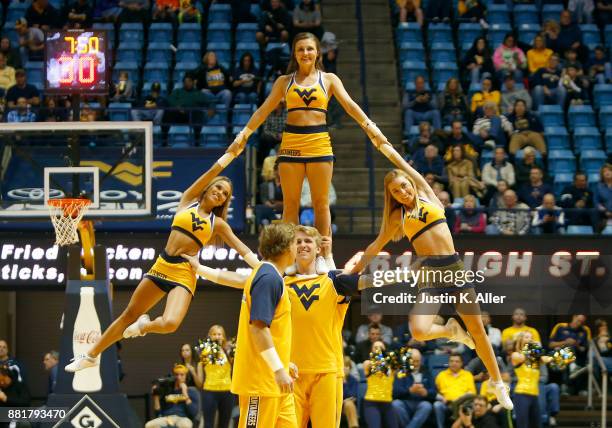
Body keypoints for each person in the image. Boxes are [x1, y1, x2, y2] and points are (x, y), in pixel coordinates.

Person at [65, 147, 259, 373]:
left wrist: (261, 266)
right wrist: (230, 155)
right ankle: (90, 355)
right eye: (218, 187)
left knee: (170, 324)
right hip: (162, 265)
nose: (220, 193)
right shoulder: (188, 200)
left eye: (225, 193)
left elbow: (242, 248)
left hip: (184, 273)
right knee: (128, 314)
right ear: (208, 188)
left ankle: (144, 326)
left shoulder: (219, 224)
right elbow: (212, 171)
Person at [347, 153, 514, 411]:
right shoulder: (397, 217)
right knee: (419, 331)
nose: (402, 192)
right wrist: (354, 271)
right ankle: (450, 331)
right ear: (391, 196)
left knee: (478, 330)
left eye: (404, 186)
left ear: (412, 184)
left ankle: (498, 384)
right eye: (396, 191)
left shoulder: (426, 192)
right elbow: (375, 246)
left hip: (454, 268)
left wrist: (381, 141)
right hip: (431, 274)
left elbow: (402, 163)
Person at [227, 32, 392, 263]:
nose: (305, 53)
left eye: (309, 49)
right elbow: (263, 110)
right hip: (291, 144)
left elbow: (351, 106)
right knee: (290, 205)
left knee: (320, 204)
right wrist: (243, 135)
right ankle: (289, 257)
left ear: (318, 52)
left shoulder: (330, 79)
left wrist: (372, 128)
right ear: (295, 54)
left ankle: (326, 256)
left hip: (319, 143)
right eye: (300, 49)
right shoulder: (284, 82)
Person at [184, 223, 298, 427]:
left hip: (275, 383)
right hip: (260, 383)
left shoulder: (266, 274)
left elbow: (236, 279)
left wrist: (200, 269)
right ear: (287, 247)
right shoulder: (268, 278)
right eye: (296, 243)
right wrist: (278, 368)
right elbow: (258, 328)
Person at [511, 332, 553, 428]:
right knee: (523, 425)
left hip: (534, 395)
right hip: (521, 394)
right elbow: (522, 357)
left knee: (537, 425)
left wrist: (558, 356)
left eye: (531, 338)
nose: (530, 339)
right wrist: (533, 349)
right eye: (527, 337)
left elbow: (547, 359)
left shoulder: (535, 359)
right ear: (520, 340)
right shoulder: (515, 355)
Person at [196, 325, 234, 428]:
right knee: (208, 424)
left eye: (219, 334)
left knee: (224, 424)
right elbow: (203, 357)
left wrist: (231, 349)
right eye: (214, 334)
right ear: (209, 336)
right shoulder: (205, 350)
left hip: (227, 391)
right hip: (210, 391)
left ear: (223, 336)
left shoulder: (228, 351)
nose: (217, 336)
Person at [391, 348, 435, 428]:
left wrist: (426, 392)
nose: (415, 364)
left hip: (421, 402)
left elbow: (434, 392)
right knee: (396, 404)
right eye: (413, 361)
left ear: (421, 361)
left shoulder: (427, 372)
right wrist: (409, 390)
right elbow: (395, 391)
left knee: (427, 406)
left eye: (417, 361)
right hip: (406, 402)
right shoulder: (401, 372)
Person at [433, 353, 477, 428]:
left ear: (461, 363)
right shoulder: (441, 375)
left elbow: (472, 393)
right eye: (452, 361)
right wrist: (441, 398)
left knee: (466, 406)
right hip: (446, 403)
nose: (454, 363)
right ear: (449, 363)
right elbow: (435, 392)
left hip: (463, 403)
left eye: (457, 361)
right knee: (437, 405)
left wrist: (460, 399)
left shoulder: (467, 374)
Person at [363, 341, 399, 428]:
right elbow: (377, 364)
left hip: (387, 403)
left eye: (381, 348)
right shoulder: (367, 363)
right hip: (371, 403)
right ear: (371, 351)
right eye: (375, 348)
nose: (378, 350)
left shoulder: (391, 365)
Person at [342, 356, 360, 428]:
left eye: (347, 366)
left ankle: (354, 426)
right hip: (337, 405)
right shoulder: (334, 380)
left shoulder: (353, 380)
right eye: (344, 366)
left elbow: (353, 395)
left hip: (347, 406)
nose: (346, 368)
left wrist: (345, 382)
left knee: (349, 404)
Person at [594, 164, 612, 228]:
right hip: (606, 213)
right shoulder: (599, 187)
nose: (607, 172)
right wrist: (605, 211)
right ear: (602, 175)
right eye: (604, 171)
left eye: (609, 170)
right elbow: (597, 203)